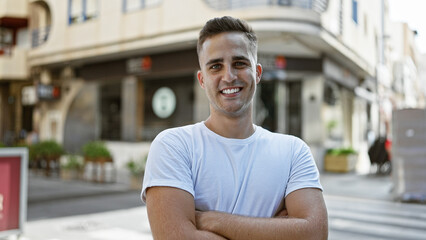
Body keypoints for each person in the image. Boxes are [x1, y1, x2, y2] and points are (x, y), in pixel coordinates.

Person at [142, 16, 328, 240]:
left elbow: (315, 234)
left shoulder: (294, 151)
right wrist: (276, 231)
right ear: (202, 80)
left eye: (239, 63)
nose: (228, 76)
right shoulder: (174, 146)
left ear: (257, 73)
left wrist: (212, 220)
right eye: (215, 66)